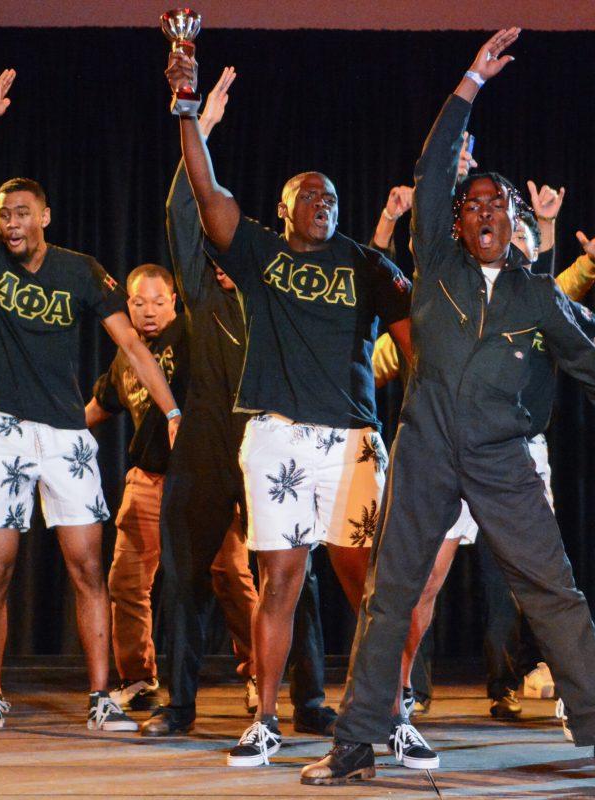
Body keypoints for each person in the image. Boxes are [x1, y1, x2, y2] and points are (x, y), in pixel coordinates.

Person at [301, 30, 595, 792]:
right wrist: (469, 83)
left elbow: (594, 372)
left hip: (503, 458)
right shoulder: (434, 270)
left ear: (515, 220)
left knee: (554, 595)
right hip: (428, 449)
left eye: (498, 203)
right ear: (456, 223)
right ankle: (356, 744)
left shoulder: (538, 294)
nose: (485, 212)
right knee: (389, 596)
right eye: (473, 205)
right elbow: (435, 167)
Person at [164, 53, 414, 767]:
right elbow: (205, 186)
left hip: (352, 441)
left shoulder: (367, 264)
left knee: (371, 585)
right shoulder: (257, 253)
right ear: (282, 208)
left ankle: (391, 713)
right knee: (280, 577)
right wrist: (187, 106)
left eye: (331, 195)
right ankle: (265, 718)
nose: (323, 201)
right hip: (275, 437)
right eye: (309, 193)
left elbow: (413, 347)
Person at [0, 70, 180, 733]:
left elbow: (133, 345)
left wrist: (174, 412)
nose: (10, 222)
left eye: (20, 212)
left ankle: (102, 698)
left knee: (88, 566)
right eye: (3, 212)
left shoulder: (78, 270)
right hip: (2, 428)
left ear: (44, 217)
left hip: (65, 433)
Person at [143, 68, 340, 740]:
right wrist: (202, 123)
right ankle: (179, 704)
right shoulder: (199, 289)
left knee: (296, 579)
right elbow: (183, 212)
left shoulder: (282, 288)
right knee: (184, 579)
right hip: (204, 443)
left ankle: (309, 699)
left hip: (274, 440)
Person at [84, 263, 259, 716]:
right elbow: (102, 404)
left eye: (158, 302)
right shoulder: (127, 354)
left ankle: (261, 672)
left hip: (202, 480)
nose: (148, 312)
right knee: (126, 580)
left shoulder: (195, 335)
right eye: (138, 303)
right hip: (148, 479)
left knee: (231, 578)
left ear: (175, 303)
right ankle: (139, 678)